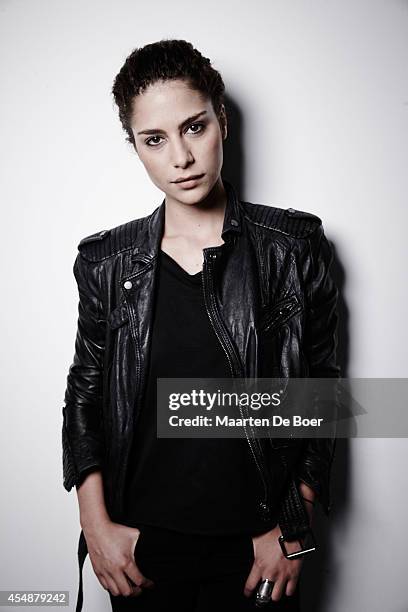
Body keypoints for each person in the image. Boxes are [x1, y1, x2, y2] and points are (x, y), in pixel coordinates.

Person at [62, 39, 340, 612]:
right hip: (139, 549)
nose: (181, 158)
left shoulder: (292, 248)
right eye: (155, 139)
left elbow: (326, 389)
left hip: (258, 547)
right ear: (135, 146)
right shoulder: (106, 262)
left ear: (223, 121)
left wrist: (294, 524)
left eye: (195, 127)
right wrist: (96, 527)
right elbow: (85, 390)